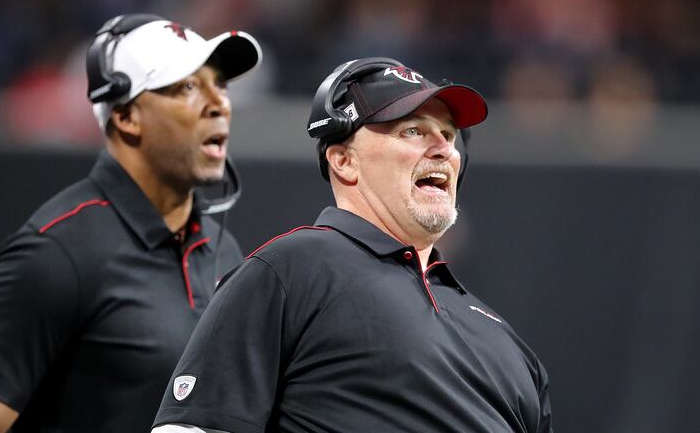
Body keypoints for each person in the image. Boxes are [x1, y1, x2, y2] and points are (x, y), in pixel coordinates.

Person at [152, 57, 553, 432]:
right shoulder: (292, 270)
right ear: (343, 161)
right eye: (412, 130)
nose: (444, 149)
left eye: (448, 135)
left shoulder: (505, 341)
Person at [0, 13, 262, 433]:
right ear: (126, 117)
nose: (219, 103)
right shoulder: (56, 254)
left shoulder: (221, 248)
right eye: (188, 87)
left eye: (220, 84)